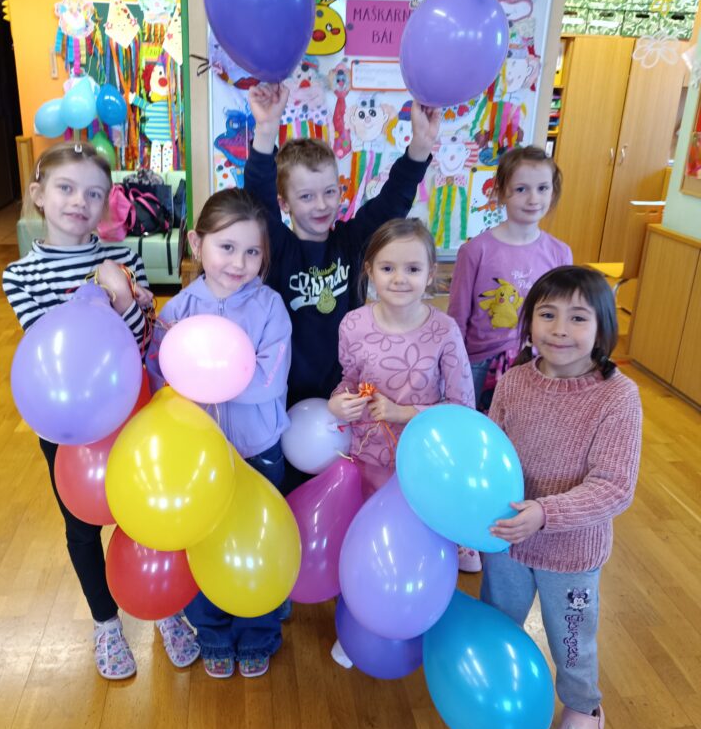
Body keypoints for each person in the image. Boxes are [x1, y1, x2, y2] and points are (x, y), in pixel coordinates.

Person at [3, 141, 199, 680]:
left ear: (108, 201)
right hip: (67, 427)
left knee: (150, 508)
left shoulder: (126, 257)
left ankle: (163, 603)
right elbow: (54, 346)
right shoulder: (20, 275)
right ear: (38, 195)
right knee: (82, 525)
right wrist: (103, 295)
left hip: (131, 410)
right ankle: (105, 623)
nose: (79, 202)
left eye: (94, 193)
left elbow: (139, 340)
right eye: (66, 189)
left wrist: (125, 299)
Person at [482, 266, 642, 729]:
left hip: (570, 555)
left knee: (571, 639)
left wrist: (546, 514)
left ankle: (582, 707)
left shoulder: (618, 396)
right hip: (506, 541)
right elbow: (488, 455)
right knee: (498, 620)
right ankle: (500, 685)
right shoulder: (512, 382)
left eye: (577, 318)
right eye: (547, 314)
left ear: (603, 328)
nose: (559, 330)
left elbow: (614, 486)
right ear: (529, 322)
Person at [146, 188, 291, 679]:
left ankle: (259, 633)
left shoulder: (270, 307)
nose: (239, 263)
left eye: (252, 252)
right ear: (196, 243)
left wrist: (210, 380)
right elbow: (161, 384)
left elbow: (270, 381)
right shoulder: (177, 312)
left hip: (258, 451)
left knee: (257, 544)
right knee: (204, 543)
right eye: (227, 247)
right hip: (200, 457)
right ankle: (211, 633)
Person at [244, 83, 439, 413]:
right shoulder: (278, 246)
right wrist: (265, 129)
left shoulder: (351, 242)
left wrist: (420, 146)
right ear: (285, 203)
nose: (321, 205)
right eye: (306, 196)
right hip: (284, 396)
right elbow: (258, 194)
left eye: (330, 192)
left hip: (346, 393)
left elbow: (392, 201)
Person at [328, 218, 475, 498]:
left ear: (430, 273)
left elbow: (462, 407)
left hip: (424, 458)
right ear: (370, 271)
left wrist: (402, 413)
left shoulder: (445, 330)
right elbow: (350, 379)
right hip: (366, 456)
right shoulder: (352, 324)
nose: (399, 279)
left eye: (413, 269)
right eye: (387, 268)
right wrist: (338, 402)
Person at [448, 146, 572, 417]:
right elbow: (457, 315)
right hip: (480, 361)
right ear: (502, 192)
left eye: (542, 188)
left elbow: (564, 314)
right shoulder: (475, 251)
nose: (533, 199)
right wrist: (454, 364)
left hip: (538, 360)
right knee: (475, 424)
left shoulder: (560, 253)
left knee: (526, 427)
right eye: (521, 189)